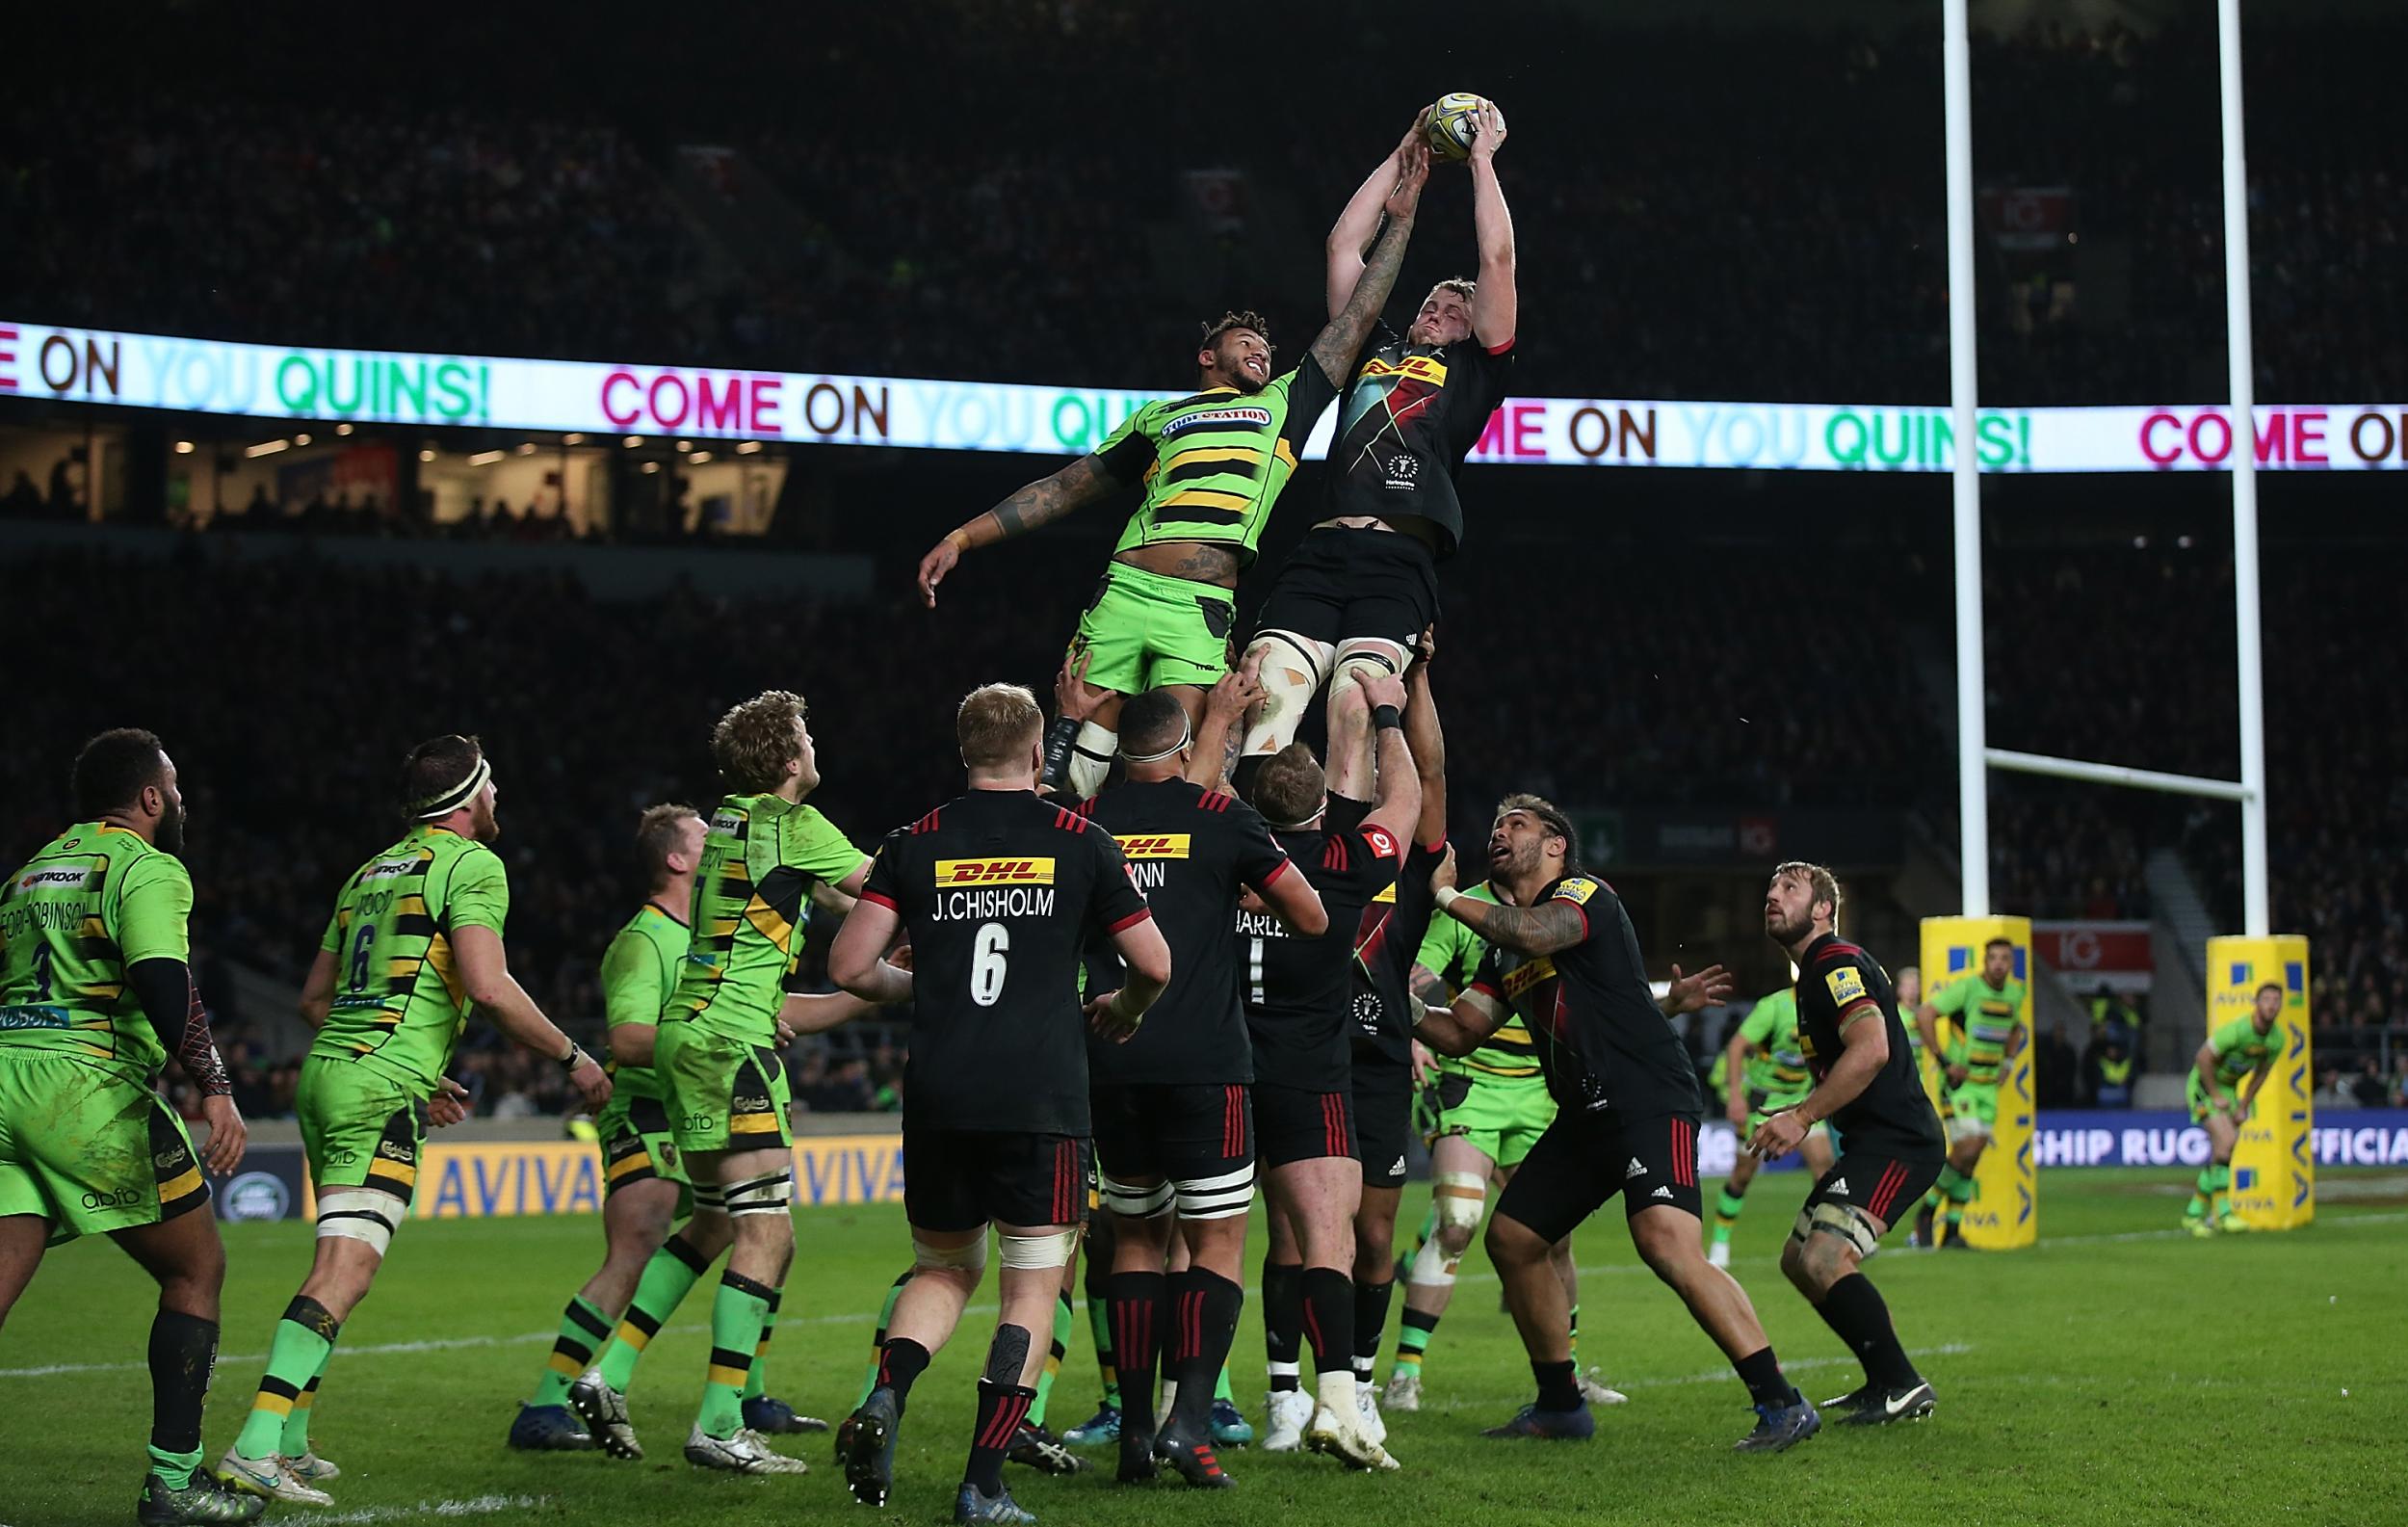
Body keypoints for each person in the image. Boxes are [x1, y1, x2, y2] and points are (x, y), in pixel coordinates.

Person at [914, 132, 1431, 797]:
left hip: (1200, 606)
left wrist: (1403, 217)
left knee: (1182, 777)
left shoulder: (1287, 402)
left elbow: (1360, 315)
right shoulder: (1159, 417)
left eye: (1268, 346)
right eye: (1246, 342)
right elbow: (1066, 488)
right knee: (1070, 770)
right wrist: (963, 536)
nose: (1263, 351)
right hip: (1124, 594)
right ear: (1206, 358)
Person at [220, 736, 612, 1503]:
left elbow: (310, 997)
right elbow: (490, 987)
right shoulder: (471, 865)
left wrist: (410, 1067)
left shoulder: (369, 870)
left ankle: (292, 1441)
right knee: (346, 1269)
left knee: (334, 1258)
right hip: (377, 1086)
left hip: (329, 1072)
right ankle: (256, 1444)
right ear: (467, 797)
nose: (499, 799)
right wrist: (575, 1057)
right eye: (492, 785)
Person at [828, 681, 1172, 1525]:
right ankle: (982, 1481)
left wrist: (917, 980)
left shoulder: (915, 841)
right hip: (1041, 1097)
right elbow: (1154, 962)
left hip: (941, 1092)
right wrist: (1125, 1009)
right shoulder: (1080, 840)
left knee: (944, 1266)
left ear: (964, 753)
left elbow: (847, 967)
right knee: (1030, 1286)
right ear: (1031, 754)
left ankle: (885, 1395)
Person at [1412, 798, 1818, 1451]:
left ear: (1555, 847)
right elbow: (1461, 1031)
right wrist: (1393, 1004)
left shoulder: (1583, 894)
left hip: (1646, 1095)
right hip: (1586, 1114)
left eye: (1517, 824)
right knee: (1513, 1237)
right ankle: (1561, 1404)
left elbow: (1538, 933)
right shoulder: (1501, 949)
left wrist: (1444, 894)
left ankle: (1781, 1400)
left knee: (1665, 1241)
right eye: (1495, 824)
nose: (1499, 831)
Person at [543, 804, 878, 1459]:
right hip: (661, 1099)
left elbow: (789, 998)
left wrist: (879, 983)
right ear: (676, 859)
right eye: (703, 837)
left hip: (699, 1074)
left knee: (733, 1229)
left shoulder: (716, 927)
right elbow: (627, 1037)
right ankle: (564, 1401)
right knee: (742, 1231)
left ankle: (655, 1383)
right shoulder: (647, 937)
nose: (718, 841)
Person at [1061, 680, 1330, 1486]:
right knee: (1215, 1244)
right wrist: (1236, 888)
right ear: (1184, 745)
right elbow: (1312, 917)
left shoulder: (1085, 823)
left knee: (1136, 1242)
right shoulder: (1223, 818)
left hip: (1111, 1060)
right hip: (1207, 1064)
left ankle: (1137, 1433)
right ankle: (1189, 1422)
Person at [0, 729, 262, 1526]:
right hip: (84, 1090)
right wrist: (214, 1087)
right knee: (196, 1270)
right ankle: (174, 1484)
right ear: (150, 797)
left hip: (6, 1074)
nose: (179, 802)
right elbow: (159, 976)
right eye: (174, 789)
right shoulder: (145, 865)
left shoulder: (28, 873)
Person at [1237, 100, 1518, 779]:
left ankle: (1343, 874)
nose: (1440, 310)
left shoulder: (1475, 372)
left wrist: (1480, 162)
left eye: (1458, 309)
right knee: (1267, 689)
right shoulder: (1372, 344)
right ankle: (1250, 864)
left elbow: (1497, 255)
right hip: (1323, 545)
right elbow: (1343, 247)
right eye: (1433, 302)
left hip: (1398, 559)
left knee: (1354, 706)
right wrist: (1404, 154)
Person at [645, 691, 875, 1474]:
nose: (815, 747)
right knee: (764, 1231)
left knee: (722, 1221)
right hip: (731, 1041)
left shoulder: (731, 824)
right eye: (806, 737)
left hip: (691, 1030)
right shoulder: (794, 824)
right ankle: (717, 1420)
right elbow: (880, 889)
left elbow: (833, 898)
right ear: (787, 761)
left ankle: (608, 1372)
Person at [1243, 674, 1419, 1469]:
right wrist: (1385, 710)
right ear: (1320, 809)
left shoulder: (1222, 844)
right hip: (1309, 1072)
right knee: (1326, 1242)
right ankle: (1339, 1404)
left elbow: (1202, 788)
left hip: (1222, 1064)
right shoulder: (1345, 860)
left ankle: (1188, 1411)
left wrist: (1228, 714)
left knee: (1189, 1245)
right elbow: (1405, 799)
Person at [1755, 863, 1945, 1426]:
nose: (1772, 896)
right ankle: (1882, 1379)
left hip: (1900, 1143)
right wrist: (1795, 1109)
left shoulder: (1835, 962)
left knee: (1825, 1257)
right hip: (1871, 1142)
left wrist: (1805, 1116)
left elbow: (1872, 1049)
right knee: (1798, 1261)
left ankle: (1903, 1383)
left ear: (1822, 910)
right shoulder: (1811, 973)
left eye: (1789, 889)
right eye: (1770, 888)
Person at [1330, 633, 1449, 1447]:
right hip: (1306, 1057)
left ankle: (1361, 1380)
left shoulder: (1411, 859)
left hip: (1377, 1067)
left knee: (1373, 1235)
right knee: (1308, 1235)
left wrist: (1414, 681)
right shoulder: (1318, 837)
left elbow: (1432, 773)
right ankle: (1287, 1391)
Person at [1708, 984, 1836, 1270]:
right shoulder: (1774, 1006)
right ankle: (1720, 1242)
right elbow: (1737, 1046)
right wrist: (1737, 1098)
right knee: (1742, 1176)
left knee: (1825, 1168)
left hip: (1801, 1101)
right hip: (1763, 1101)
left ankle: (1824, 1239)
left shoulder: (1827, 1008)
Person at [1911, 938, 2027, 1249]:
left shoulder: (2016, 993)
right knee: (1968, 1148)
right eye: (1993, 958)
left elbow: (2015, 1028)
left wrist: (2010, 1062)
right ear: (1985, 962)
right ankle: (1928, 1210)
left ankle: (1951, 1231)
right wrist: (1943, 1060)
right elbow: (1925, 1014)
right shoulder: (1968, 989)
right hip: (1963, 1085)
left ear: (2011, 964)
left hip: (1989, 1086)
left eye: (2005, 958)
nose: (1999, 964)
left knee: (1970, 1161)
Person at [2184, 983, 2284, 1236]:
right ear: (2256, 1003)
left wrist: (2244, 1104)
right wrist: (2215, 1095)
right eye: (2267, 999)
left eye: (2276, 1000)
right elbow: (2203, 1057)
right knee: (2227, 1140)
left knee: (2224, 1150)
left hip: (2227, 1088)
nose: (2272, 1005)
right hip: (2204, 1085)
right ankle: (2223, 1213)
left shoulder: (2276, 1040)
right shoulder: (2238, 1030)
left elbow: (2261, 1073)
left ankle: (2195, 1213)